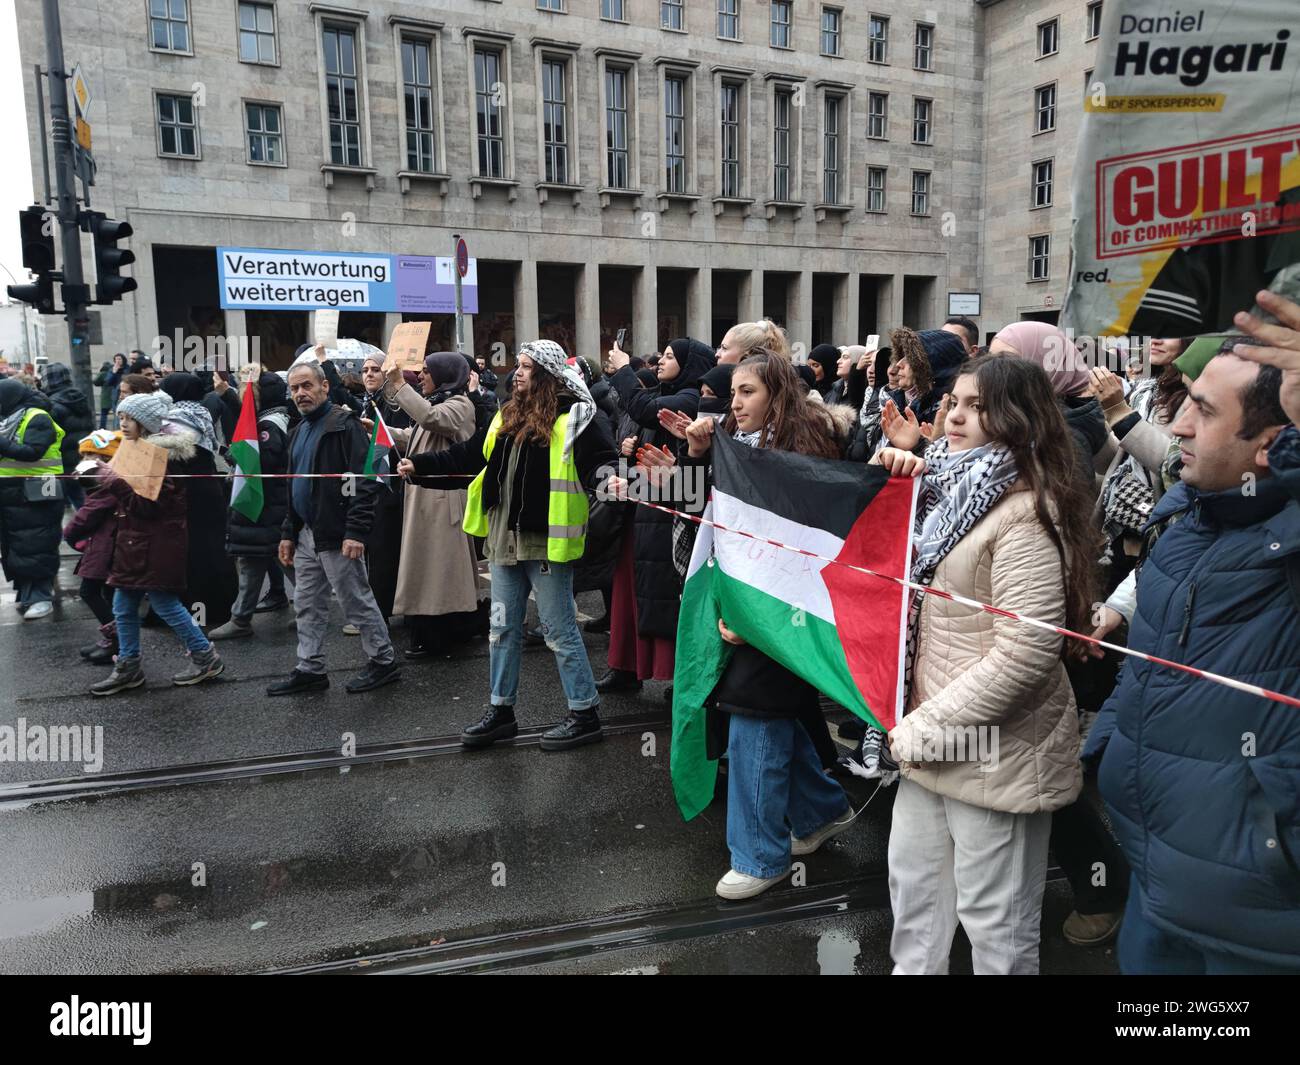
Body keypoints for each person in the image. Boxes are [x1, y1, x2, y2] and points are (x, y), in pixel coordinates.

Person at [1084, 350, 1300, 975]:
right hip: (1157, 878)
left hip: (1258, 915)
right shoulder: (1184, 513)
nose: (1176, 425)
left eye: (1203, 411)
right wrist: (1111, 743)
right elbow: (1156, 654)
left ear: (1273, 444)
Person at [880, 356, 1098, 974]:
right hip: (928, 744)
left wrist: (928, 725)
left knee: (995, 931)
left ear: (1017, 419)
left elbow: (1025, 651)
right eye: (953, 401)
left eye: (977, 406)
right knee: (916, 908)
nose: (955, 416)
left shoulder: (1027, 512)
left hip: (993, 752)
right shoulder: (950, 489)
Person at [676, 351, 853, 900]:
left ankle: (759, 856)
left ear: (777, 393)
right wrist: (697, 458)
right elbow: (705, 524)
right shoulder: (740, 448)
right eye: (733, 392)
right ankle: (820, 811)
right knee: (764, 711)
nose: (734, 402)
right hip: (743, 607)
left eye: (747, 391)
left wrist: (758, 620)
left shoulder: (804, 453)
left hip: (781, 614)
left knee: (754, 718)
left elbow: (804, 553)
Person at [455, 339, 617, 750]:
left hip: (545, 542)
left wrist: (610, 478)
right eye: (518, 365)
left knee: (558, 629)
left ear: (546, 373)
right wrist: (417, 464)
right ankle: (501, 712)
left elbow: (601, 458)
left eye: (527, 366)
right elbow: (475, 455)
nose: (518, 372)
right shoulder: (508, 414)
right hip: (504, 539)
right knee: (501, 629)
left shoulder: (574, 415)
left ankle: (584, 713)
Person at [269, 360, 399, 695]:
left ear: (325, 387)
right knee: (307, 603)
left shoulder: (344, 424)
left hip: (338, 532)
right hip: (306, 534)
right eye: (295, 388)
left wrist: (356, 531)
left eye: (307, 386)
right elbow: (293, 486)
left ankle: (384, 662)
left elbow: (366, 478)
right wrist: (288, 532)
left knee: (355, 600)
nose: (300, 393)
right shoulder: (297, 431)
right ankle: (310, 667)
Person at [600, 336, 716, 694]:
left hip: (671, 513)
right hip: (644, 507)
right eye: (662, 355)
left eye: (670, 356)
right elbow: (640, 425)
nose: (662, 361)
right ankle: (625, 664)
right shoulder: (663, 395)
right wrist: (625, 456)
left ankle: (672, 673)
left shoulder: (691, 398)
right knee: (630, 593)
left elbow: (641, 408)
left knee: (664, 597)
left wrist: (622, 369)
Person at [88, 393, 225, 694]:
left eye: (129, 418)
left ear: (146, 423)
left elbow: (147, 507)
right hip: (137, 544)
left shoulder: (159, 456)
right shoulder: (137, 449)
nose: (122, 423)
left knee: (164, 603)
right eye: (121, 417)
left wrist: (111, 479)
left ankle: (203, 657)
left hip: (156, 544)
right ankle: (130, 665)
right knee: (123, 605)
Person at [380, 352, 480, 659]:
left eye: (427, 371)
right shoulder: (440, 402)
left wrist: (398, 383)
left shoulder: (460, 405)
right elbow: (415, 434)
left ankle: (443, 637)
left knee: (442, 574)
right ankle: (433, 633)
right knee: (429, 571)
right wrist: (379, 429)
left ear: (445, 374)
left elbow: (430, 419)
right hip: (428, 500)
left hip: (443, 502)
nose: (421, 376)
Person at [209, 372, 292, 640]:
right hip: (266, 507)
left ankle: (310, 611)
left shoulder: (269, 427)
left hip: (264, 506)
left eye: (250, 391)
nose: (247, 396)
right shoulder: (273, 419)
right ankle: (241, 618)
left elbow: (260, 461)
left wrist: (233, 453)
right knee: (255, 562)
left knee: (282, 561)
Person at [988, 321, 1109, 492]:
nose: (989, 370)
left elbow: (1069, 512)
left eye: (1006, 360)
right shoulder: (1013, 414)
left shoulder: (1065, 436)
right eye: (989, 359)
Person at [159, 372, 239, 629]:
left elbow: (173, 454)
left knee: (195, 554)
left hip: (190, 494)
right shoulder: (200, 412)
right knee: (213, 549)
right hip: (208, 490)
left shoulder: (176, 418)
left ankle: (201, 613)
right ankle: (220, 607)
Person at [0, 377, 65, 619]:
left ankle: (41, 597)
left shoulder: (37, 417)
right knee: (16, 546)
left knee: (37, 544)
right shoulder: (8, 419)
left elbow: (32, 452)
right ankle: (27, 593)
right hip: (12, 492)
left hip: (39, 491)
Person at [356, 354, 410, 621]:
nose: (368, 374)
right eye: (365, 370)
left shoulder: (395, 404)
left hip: (392, 488)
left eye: (375, 369)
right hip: (374, 486)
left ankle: (382, 611)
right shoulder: (368, 402)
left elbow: (400, 443)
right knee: (376, 551)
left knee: (385, 551)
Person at [63, 429, 125, 664]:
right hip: (103, 544)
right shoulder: (99, 480)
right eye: (85, 455)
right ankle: (114, 639)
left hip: (107, 546)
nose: (86, 461)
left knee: (90, 591)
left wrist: (68, 533)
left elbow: (88, 514)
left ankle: (116, 639)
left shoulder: (107, 483)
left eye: (92, 455)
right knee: (107, 593)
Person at [39, 363, 95, 511]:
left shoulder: (51, 404)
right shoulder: (79, 398)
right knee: (83, 501)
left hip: (62, 462)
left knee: (62, 505)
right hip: (81, 456)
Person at [94, 353, 126, 429]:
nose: (118, 361)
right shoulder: (111, 371)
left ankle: (102, 428)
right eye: (116, 359)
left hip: (108, 396)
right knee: (117, 414)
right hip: (114, 395)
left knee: (104, 414)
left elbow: (96, 382)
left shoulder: (103, 373)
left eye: (119, 359)